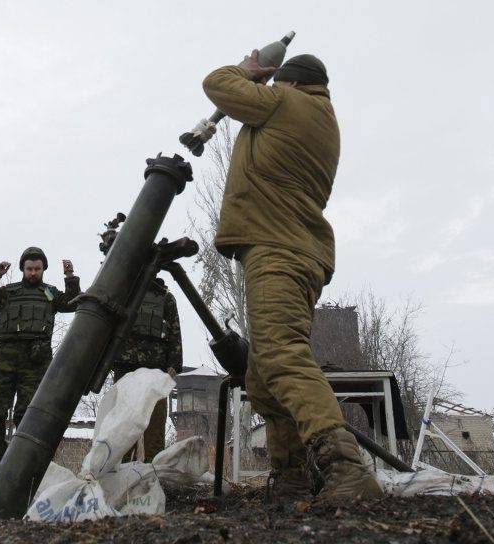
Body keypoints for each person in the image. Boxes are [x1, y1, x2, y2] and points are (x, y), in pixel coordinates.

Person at [202, 51, 382, 500]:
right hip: (297, 251)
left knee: (282, 355)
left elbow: (217, 83)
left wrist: (249, 73)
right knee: (263, 381)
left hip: (277, 250)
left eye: (280, 84)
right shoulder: (318, 116)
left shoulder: (287, 104)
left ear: (293, 85)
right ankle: (292, 475)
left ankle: (345, 468)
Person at [0, 246, 81, 478]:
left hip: (36, 359)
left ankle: (22, 464)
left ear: (43, 270)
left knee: (29, 413)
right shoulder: (8, 292)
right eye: (29, 268)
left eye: (37, 269)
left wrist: (70, 278)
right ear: (23, 268)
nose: (33, 273)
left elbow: (72, 304)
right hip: (5, 356)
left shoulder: (49, 293)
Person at [100, 225, 182, 462]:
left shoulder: (165, 298)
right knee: (123, 428)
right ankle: (119, 476)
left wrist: (174, 364)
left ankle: (153, 475)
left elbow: (174, 333)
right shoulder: (121, 292)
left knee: (155, 430)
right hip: (125, 368)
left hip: (156, 371)